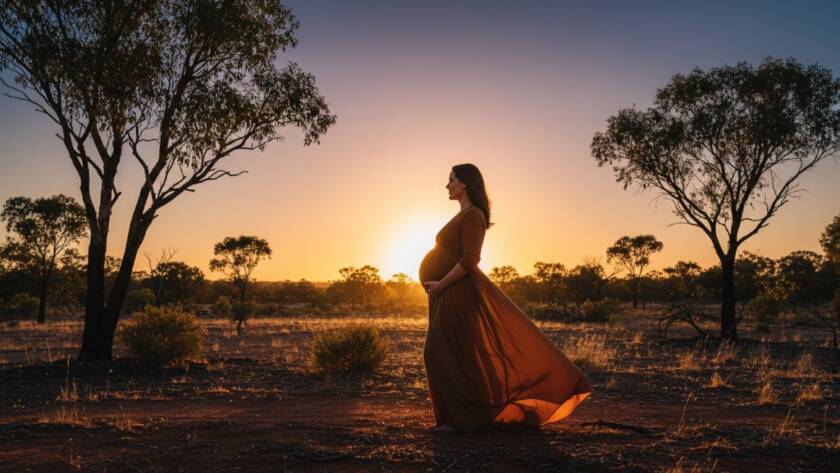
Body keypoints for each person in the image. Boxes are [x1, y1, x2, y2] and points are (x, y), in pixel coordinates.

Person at [419, 163, 592, 433]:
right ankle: (458, 419)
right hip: (445, 294)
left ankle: (459, 420)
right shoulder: (463, 214)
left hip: (458, 293)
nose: (447, 185)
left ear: (465, 183)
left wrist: (441, 284)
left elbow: (470, 260)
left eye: (451, 179)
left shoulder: (474, 215)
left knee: (437, 351)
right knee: (455, 354)